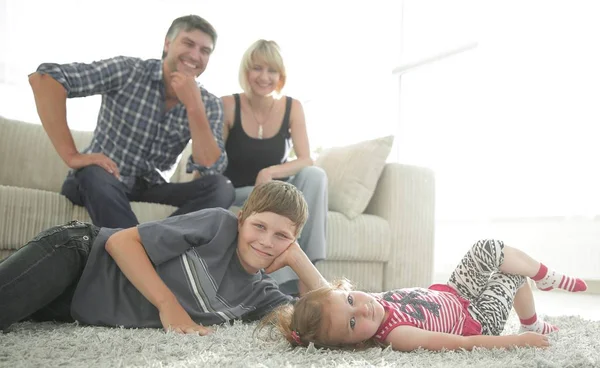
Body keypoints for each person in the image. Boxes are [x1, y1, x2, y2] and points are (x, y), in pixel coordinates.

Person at [0, 181, 328, 334]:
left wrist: (299, 260)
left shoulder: (260, 294)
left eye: (282, 236)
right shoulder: (218, 224)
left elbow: (323, 315)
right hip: (77, 256)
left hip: (71, 307)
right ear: (241, 219)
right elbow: (120, 242)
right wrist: (168, 305)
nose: (267, 242)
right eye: (259, 226)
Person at [28, 15, 235, 229]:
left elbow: (211, 167)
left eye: (205, 50)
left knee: (222, 187)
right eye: (188, 43)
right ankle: (138, 251)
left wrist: (194, 106)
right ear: (167, 43)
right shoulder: (129, 71)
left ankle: (154, 242)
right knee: (94, 173)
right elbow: (46, 78)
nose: (195, 55)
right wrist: (72, 156)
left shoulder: (208, 103)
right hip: (102, 177)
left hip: (151, 188)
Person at [258, 239, 588, 351]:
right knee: (512, 274)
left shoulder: (365, 299)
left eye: (350, 300)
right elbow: (462, 345)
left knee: (488, 248)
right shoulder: (397, 334)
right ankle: (530, 325)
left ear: (345, 289)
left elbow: (324, 297)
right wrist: (514, 343)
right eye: (353, 322)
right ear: (355, 343)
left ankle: (545, 277)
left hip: (455, 293)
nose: (362, 309)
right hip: (475, 321)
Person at [218, 39, 328, 296]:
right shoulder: (228, 105)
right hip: (240, 192)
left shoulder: (292, 107)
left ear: (281, 75)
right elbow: (212, 162)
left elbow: (306, 159)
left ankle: (309, 274)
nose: (264, 77)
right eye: (257, 68)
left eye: (272, 70)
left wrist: (269, 173)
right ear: (246, 71)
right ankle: (283, 285)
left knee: (315, 174)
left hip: (274, 188)